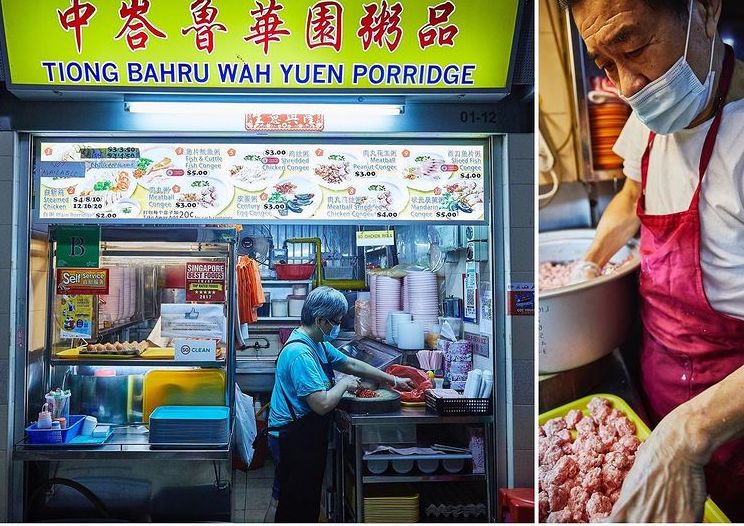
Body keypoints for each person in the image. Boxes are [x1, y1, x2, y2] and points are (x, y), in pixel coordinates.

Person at [561, 0, 744, 521]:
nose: (625, 85)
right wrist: (589, 264)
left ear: (705, 12)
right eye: (605, 64)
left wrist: (688, 433)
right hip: (659, 387)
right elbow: (629, 196)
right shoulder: (653, 117)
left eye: (633, 47)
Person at [263, 286, 415, 523]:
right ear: (320, 319)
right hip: (291, 437)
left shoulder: (317, 343)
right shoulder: (301, 353)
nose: (337, 326)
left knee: (296, 497)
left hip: (303, 435)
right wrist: (344, 386)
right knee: (296, 503)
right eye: (335, 322)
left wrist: (393, 379)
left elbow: (351, 364)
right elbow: (321, 404)